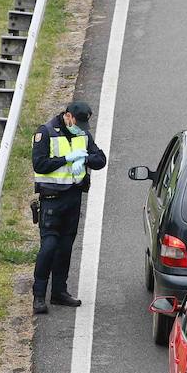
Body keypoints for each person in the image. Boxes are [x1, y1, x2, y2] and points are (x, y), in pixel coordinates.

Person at [31, 100, 107, 315]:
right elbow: (39, 164)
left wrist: (85, 159)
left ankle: (59, 292)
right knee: (49, 247)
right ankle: (38, 295)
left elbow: (100, 159)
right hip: (52, 199)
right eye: (78, 122)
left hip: (73, 198)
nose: (81, 127)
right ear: (68, 116)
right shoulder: (46, 132)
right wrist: (67, 159)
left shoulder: (83, 134)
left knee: (65, 248)